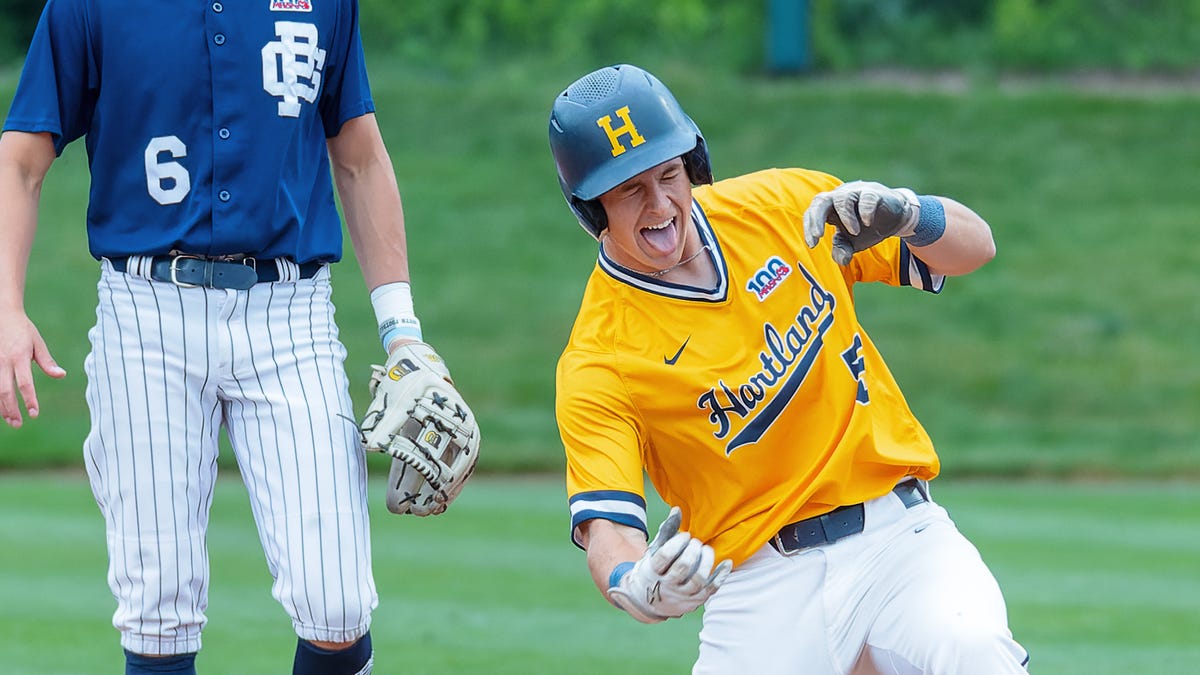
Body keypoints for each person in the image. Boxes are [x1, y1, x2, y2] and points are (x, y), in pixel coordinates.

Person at [0, 2, 474, 673]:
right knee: (157, 610)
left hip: (291, 315)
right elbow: (20, 160)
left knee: (336, 603)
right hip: (146, 317)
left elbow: (361, 159)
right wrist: (4, 306)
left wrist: (403, 332)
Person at [548, 63, 1030, 674]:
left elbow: (976, 248)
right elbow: (608, 527)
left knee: (973, 651)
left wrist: (910, 213)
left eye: (668, 174)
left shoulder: (782, 205)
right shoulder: (599, 357)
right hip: (760, 581)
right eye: (628, 190)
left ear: (693, 164)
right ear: (592, 207)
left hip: (899, 540)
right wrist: (637, 583)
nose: (660, 203)